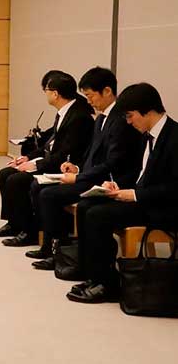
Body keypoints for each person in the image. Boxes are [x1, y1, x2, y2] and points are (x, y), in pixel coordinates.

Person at [68, 83, 178, 303]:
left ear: (147, 111)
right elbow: (141, 174)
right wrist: (117, 186)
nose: (128, 122)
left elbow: (174, 188)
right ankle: (95, 275)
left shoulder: (174, 138)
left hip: (164, 207)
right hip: (147, 199)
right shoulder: (148, 135)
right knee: (87, 206)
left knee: (98, 215)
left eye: (130, 116)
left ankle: (107, 285)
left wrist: (135, 195)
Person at [28, 67, 143, 270]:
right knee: (42, 188)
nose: (88, 101)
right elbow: (91, 154)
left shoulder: (120, 120)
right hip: (92, 175)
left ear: (107, 91)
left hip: (108, 180)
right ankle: (56, 249)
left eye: (90, 96)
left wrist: (80, 178)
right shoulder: (101, 118)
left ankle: (61, 251)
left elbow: (113, 162)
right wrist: (76, 168)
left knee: (50, 195)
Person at [0, 70, 94, 247]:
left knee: (17, 180)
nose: (45, 94)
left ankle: (29, 230)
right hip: (54, 160)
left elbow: (65, 154)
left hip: (64, 166)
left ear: (55, 93)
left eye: (47, 90)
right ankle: (14, 223)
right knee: (4, 173)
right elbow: (49, 145)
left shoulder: (79, 117)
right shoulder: (65, 112)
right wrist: (27, 157)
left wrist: (34, 165)